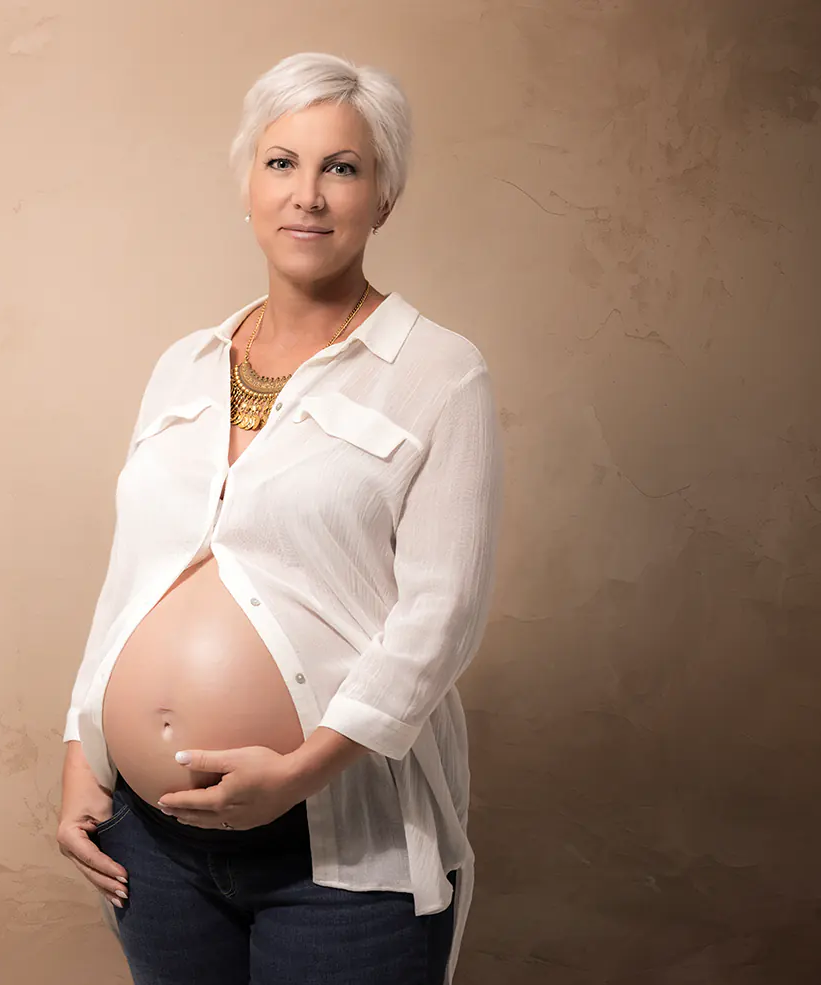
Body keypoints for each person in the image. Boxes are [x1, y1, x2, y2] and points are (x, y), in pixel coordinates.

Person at [54, 51, 502, 985]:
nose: (308, 194)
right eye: (282, 162)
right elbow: (132, 576)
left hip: (338, 848)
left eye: (342, 167)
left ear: (384, 197)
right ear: (248, 185)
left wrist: (301, 771)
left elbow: (441, 615)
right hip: (155, 841)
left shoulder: (439, 372)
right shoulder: (183, 363)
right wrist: (80, 749)